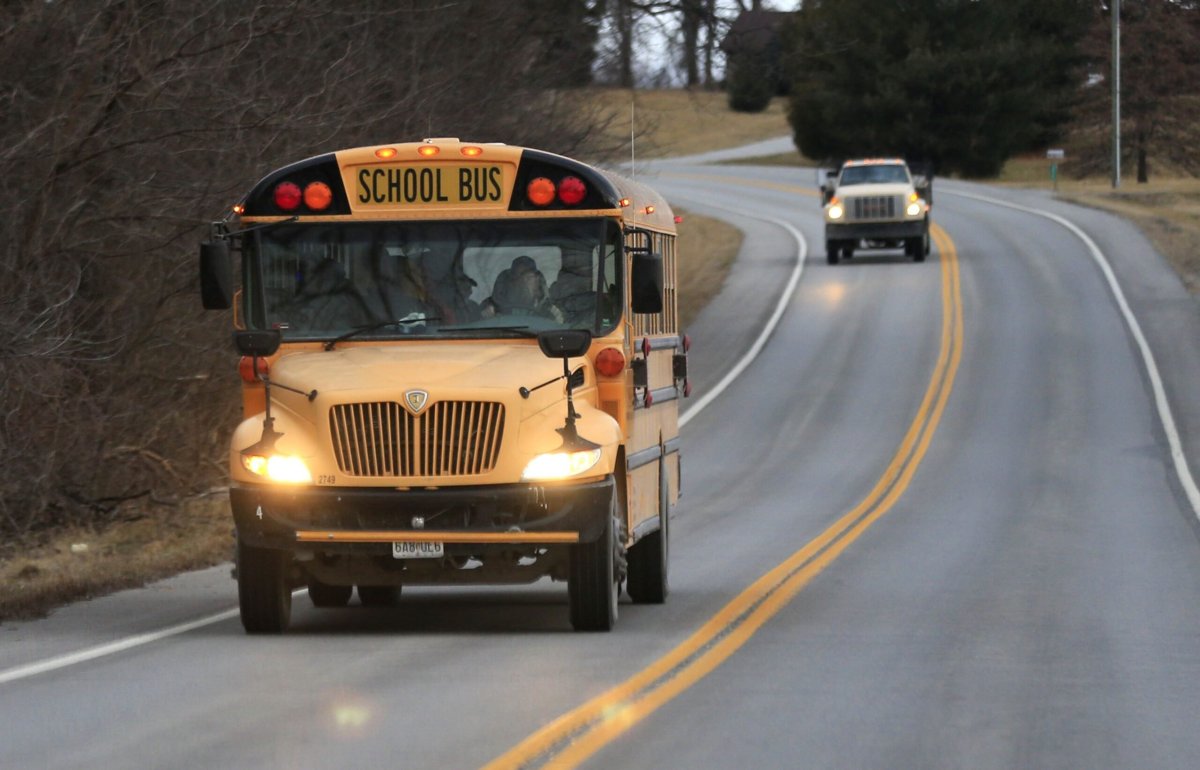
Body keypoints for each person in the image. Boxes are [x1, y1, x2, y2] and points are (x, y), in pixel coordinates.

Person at [487, 255, 562, 321]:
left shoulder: (550, 311)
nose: (524, 283)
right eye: (518, 278)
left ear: (537, 282)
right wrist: (488, 318)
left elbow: (559, 332)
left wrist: (556, 320)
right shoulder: (492, 308)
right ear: (511, 283)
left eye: (529, 278)